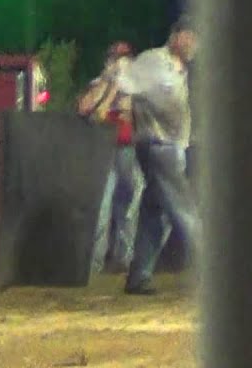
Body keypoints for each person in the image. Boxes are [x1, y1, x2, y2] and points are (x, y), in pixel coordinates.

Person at [115, 17, 200, 295]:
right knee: (184, 209)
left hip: (173, 146)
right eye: (190, 36)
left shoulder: (181, 70)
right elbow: (124, 80)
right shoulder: (154, 61)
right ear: (176, 36)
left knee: (156, 214)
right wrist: (112, 78)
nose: (194, 44)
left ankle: (139, 275)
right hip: (157, 146)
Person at [78, 41, 145, 274]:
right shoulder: (99, 83)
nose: (120, 63)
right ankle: (95, 263)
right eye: (115, 58)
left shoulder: (137, 87)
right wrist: (109, 84)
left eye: (125, 58)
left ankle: (123, 259)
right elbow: (85, 109)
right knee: (103, 205)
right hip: (103, 150)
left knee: (130, 202)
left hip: (129, 149)